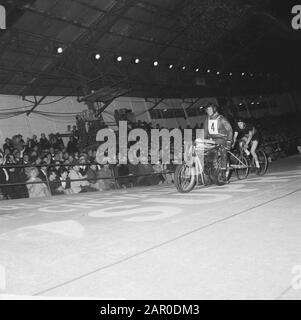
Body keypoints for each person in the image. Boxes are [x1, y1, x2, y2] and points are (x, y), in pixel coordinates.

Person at [203, 102, 233, 175]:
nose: (208, 111)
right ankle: (206, 171)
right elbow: (205, 131)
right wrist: (202, 140)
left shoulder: (221, 118)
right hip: (212, 140)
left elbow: (229, 130)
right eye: (207, 110)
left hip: (222, 139)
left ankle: (223, 171)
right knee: (203, 151)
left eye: (210, 109)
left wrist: (229, 141)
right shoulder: (207, 119)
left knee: (223, 150)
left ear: (214, 109)